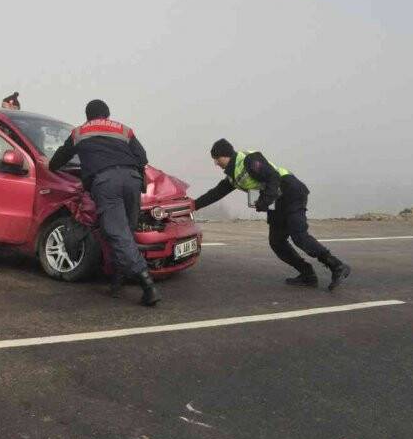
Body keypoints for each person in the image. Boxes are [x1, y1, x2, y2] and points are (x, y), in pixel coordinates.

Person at [193, 139, 352, 291]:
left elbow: (273, 176)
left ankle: (337, 266)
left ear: (225, 154)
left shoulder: (249, 159)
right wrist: (193, 205)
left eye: (216, 159)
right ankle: (307, 274)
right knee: (277, 242)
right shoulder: (232, 176)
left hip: (291, 192)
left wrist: (264, 201)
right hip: (277, 201)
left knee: (299, 236)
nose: (215, 163)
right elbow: (215, 193)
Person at [49, 100, 161, 306]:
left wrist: (55, 167)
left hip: (106, 183)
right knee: (126, 231)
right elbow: (142, 157)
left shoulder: (79, 132)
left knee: (117, 234)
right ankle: (117, 282)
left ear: (87, 116)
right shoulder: (124, 130)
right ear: (108, 115)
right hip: (133, 180)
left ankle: (147, 284)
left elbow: (58, 160)